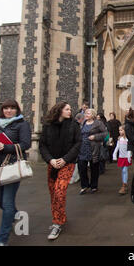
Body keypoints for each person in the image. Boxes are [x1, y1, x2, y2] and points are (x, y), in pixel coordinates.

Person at [0, 99, 31, 246]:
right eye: (6, 108)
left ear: (17, 110)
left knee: (7, 203)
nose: (9, 111)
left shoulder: (22, 124)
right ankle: (16, 214)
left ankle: (2, 240)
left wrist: (4, 147)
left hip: (11, 166)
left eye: (12, 108)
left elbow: (25, 144)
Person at [39, 102, 82, 240]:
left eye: (70, 109)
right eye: (67, 109)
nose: (70, 111)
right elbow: (42, 145)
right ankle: (60, 216)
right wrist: (50, 160)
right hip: (52, 163)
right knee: (53, 193)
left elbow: (78, 144)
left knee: (59, 190)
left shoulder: (73, 125)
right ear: (60, 110)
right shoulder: (48, 125)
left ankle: (57, 223)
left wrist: (65, 159)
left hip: (67, 163)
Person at [77, 109, 108, 195]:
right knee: (82, 168)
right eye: (86, 113)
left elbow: (106, 134)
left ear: (93, 114)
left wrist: (95, 136)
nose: (86, 114)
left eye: (88, 113)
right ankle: (84, 186)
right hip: (82, 149)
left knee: (94, 168)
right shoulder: (82, 123)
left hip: (93, 149)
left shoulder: (98, 123)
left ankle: (94, 186)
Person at [112, 126, 132, 195]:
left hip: (126, 157)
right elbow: (117, 147)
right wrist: (114, 154)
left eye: (121, 130)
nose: (120, 132)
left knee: (124, 170)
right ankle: (124, 183)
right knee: (122, 170)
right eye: (119, 130)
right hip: (121, 157)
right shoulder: (119, 139)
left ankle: (124, 184)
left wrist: (129, 156)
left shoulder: (127, 139)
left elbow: (129, 148)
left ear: (125, 131)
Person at [69, 113, 85, 185]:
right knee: (74, 163)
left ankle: (76, 177)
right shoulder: (76, 126)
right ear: (81, 119)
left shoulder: (73, 124)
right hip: (75, 147)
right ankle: (73, 178)